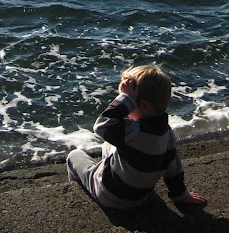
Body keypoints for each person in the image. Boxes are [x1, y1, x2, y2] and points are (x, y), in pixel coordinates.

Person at [67, 65, 206, 209]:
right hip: (139, 199)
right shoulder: (167, 133)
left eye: (132, 101)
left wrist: (125, 100)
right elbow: (174, 170)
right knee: (110, 144)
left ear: (144, 106)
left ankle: (75, 189)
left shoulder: (133, 131)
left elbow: (102, 125)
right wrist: (182, 196)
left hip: (108, 195)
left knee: (74, 156)